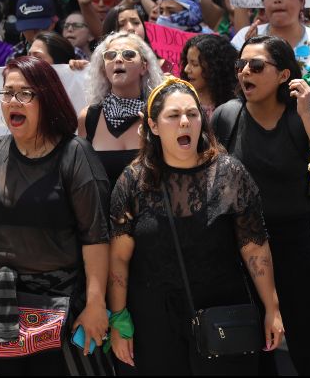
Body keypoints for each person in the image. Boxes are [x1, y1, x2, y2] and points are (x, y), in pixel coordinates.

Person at [0, 56, 113, 375]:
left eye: (24, 93)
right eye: (6, 93)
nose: (12, 101)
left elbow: (96, 238)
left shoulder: (75, 155)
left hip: (60, 306)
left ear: (46, 99)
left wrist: (96, 304)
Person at [106, 77, 284, 374]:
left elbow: (254, 247)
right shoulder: (133, 181)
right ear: (153, 126)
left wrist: (272, 309)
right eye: (173, 116)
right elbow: (119, 257)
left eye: (192, 114)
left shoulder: (229, 174)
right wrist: (118, 319)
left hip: (222, 315)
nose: (185, 122)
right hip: (155, 322)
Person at [212, 35, 310, 376]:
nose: (244, 73)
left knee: (303, 345)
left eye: (256, 66)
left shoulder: (303, 112)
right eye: (240, 66)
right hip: (243, 243)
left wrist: (308, 115)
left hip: (297, 241)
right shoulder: (226, 116)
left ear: (284, 75)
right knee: (256, 344)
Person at [78, 32, 164, 189]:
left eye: (128, 54)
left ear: (144, 67)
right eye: (110, 55)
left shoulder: (158, 114)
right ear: (104, 69)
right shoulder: (89, 117)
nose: (118, 59)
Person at [179, 34, 238, 121]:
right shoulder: (178, 99)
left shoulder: (235, 107)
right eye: (187, 62)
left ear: (214, 68)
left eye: (195, 64)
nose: (186, 69)